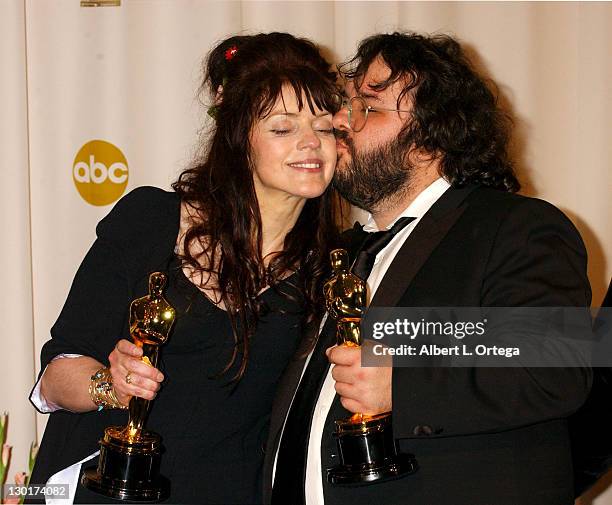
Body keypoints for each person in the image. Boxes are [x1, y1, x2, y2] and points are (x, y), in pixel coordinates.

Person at [266, 32, 592, 505]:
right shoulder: (343, 252)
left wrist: (403, 383)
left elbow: (556, 366)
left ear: (427, 140)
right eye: (346, 105)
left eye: (368, 108)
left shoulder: (515, 226)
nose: (340, 121)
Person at [28, 32, 340, 504]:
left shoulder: (333, 265)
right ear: (239, 139)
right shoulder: (151, 220)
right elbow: (55, 377)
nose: (310, 143)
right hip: (108, 490)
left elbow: (413, 355)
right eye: (282, 128)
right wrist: (109, 385)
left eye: (324, 126)